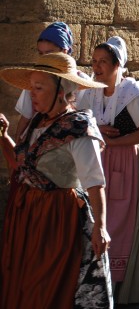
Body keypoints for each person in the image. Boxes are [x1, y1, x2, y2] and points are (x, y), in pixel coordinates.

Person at [0, 52, 112, 308]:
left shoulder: (79, 129)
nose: (32, 94)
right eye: (32, 88)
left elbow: (95, 181)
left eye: (39, 88)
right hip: (27, 214)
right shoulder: (39, 122)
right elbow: (22, 164)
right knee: (24, 278)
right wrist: (4, 136)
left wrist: (101, 227)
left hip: (56, 219)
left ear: (61, 91)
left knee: (46, 284)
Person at [77, 36, 139, 304]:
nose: (97, 67)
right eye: (94, 61)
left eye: (103, 62)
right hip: (100, 162)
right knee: (99, 221)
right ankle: (98, 285)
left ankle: (122, 292)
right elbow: (80, 122)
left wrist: (112, 141)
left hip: (127, 163)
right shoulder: (90, 91)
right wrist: (98, 130)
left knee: (123, 225)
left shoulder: (132, 92)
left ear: (117, 64)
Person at [14, 21, 85, 139]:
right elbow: (25, 118)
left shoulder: (81, 81)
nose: (44, 58)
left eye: (49, 53)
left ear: (64, 51)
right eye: (41, 53)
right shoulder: (36, 79)